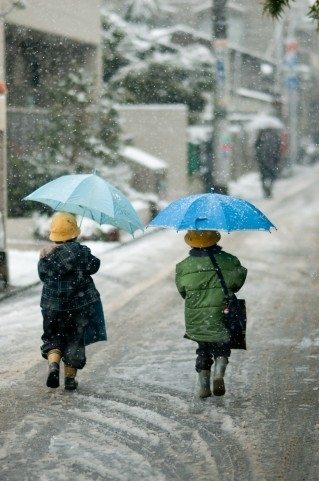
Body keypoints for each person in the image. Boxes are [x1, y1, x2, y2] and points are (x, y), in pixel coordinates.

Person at [38, 212, 106, 391]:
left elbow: (43, 275)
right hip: (78, 308)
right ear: (75, 233)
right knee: (74, 341)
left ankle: (53, 365)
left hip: (52, 307)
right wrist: (81, 251)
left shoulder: (46, 254)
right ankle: (69, 378)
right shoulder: (82, 252)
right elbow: (95, 266)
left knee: (52, 337)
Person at [175, 230, 247, 398]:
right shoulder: (229, 260)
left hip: (197, 316)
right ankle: (219, 373)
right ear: (215, 239)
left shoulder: (183, 266)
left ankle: (204, 386)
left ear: (191, 242)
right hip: (222, 312)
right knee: (222, 345)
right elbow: (237, 283)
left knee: (203, 348)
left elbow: (182, 291)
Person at [255, 128, 281, 198]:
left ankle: (265, 189)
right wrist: (276, 159)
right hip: (272, 160)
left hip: (263, 161)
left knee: (264, 176)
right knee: (272, 176)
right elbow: (278, 149)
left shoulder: (261, 137)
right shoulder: (274, 137)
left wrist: (259, 159)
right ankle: (269, 188)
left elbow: (256, 147)